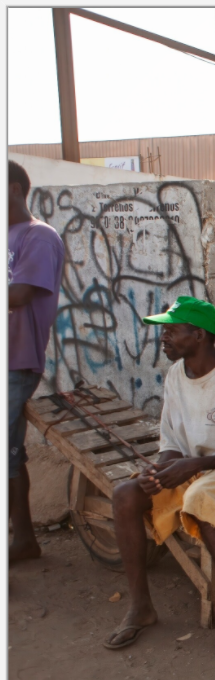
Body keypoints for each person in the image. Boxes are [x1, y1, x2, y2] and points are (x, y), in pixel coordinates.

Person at [104, 296, 215, 662]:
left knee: (200, 496)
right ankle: (140, 607)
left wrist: (190, 468)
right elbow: (171, 442)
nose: (163, 338)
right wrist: (162, 469)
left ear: (199, 335)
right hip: (195, 467)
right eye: (163, 331)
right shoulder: (175, 374)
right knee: (126, 494)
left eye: (171, 331)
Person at [8, 160, 66, 563]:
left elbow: (19, 294)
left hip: (16, 360)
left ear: (13, 189)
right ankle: (23, 540)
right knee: (10, 454)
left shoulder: (38, 236)